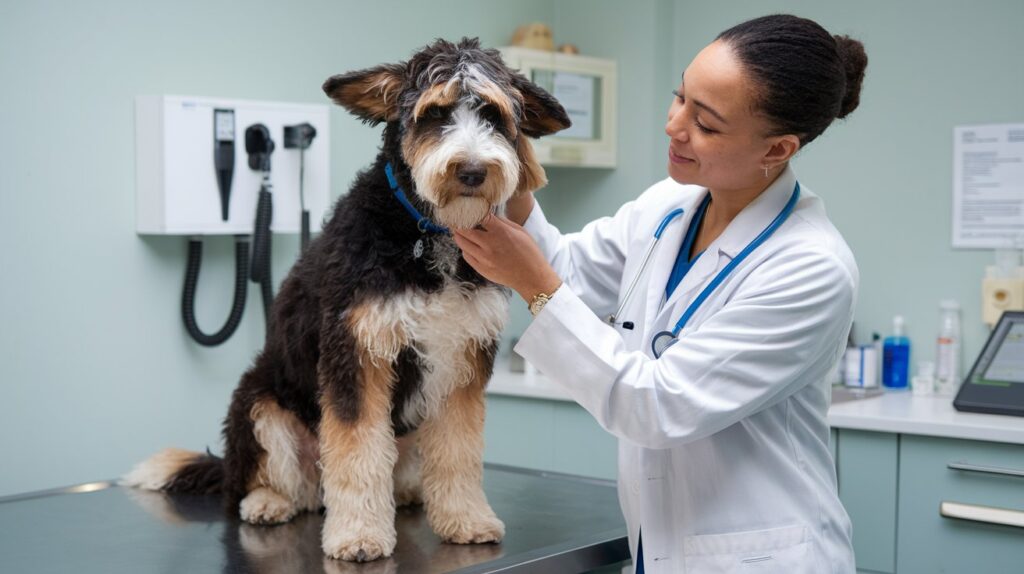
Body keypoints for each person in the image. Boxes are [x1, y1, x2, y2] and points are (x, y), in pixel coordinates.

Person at [454, 13, 867, 574]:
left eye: (707, 123)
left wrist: (532, 284)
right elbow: (569, 270)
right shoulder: (668, 206)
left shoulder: (809, 266)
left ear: (777, 149)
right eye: (679, 98)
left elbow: (658, 405)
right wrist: (515, 180)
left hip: (762, 557)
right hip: (663, 548)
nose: (674, 126)